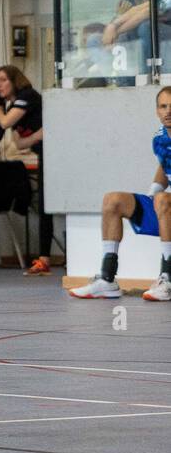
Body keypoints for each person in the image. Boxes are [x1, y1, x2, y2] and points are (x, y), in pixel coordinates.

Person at [73, 86, 171, 301]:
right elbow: (165, 166)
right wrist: (152, 193)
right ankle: (107, 279)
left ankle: (168, 278)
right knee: (113, 200)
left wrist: (160, 199)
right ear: (157, 111)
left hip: (167, 203)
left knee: (163, 200)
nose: (168, 111)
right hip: (165, 205)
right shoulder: (159, 138)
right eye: (163, 106)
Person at [0, 64, 51, 274]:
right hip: (42, 153)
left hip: (55, 153)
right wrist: (38, 135)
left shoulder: (27, 96)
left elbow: (5, 123)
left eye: (3, 80)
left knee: (49, 204)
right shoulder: (13, 107)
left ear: (14, 80)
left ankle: (48, 257)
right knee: (44, 204)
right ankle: (44, 258)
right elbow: (19, 144)